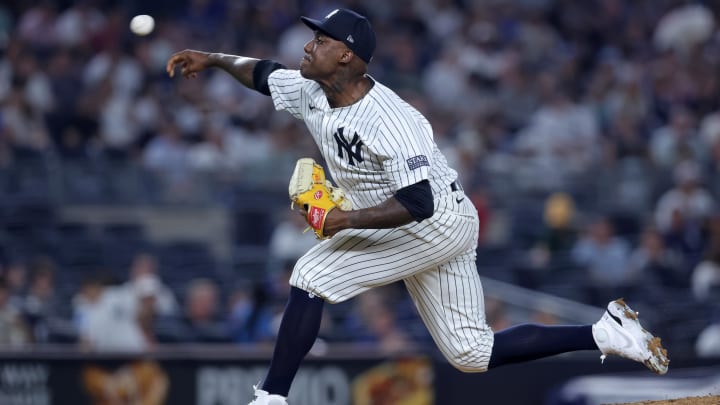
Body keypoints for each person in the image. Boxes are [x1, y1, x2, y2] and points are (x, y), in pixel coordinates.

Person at [166, 8, 669, 405]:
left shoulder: (393, 120)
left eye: (321, 40)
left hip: (434, 222)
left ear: (347, 56)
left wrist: (344, 219)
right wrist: (210, 57)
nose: (308, 45)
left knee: (310, 275)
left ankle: (271, 397)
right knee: (473, 353)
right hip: (418, 219)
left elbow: (418, 201)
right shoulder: (310, 90)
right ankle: (605, 331)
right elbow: (260, 73)